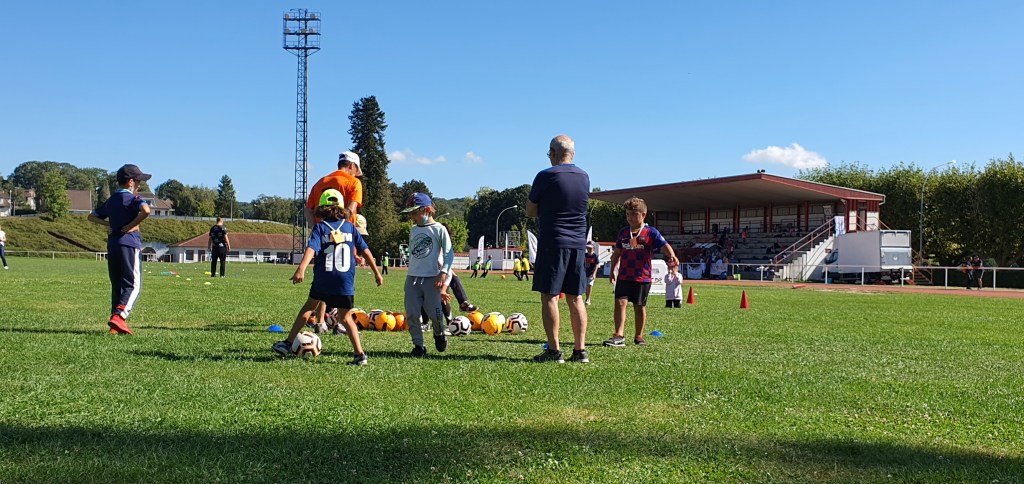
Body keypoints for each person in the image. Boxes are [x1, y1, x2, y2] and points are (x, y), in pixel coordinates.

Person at [272, 189, 383, 365]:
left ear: (321, 208)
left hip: (324, 279)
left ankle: (287, 343)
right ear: (342, 207)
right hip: (345, 282)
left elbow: (311, 249)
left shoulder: (320, 228)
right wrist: (376, 272)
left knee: (309, 307)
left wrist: (301, 269)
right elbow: (366, 251)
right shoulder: (350, 228)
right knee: (345, 318)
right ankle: (360, 355)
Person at [527, 134, 590, 364]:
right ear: (572, 154)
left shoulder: (545, 176)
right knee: (576, 298)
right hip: (578, 244)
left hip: (553, 242)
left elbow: (530, 211)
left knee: (550, 296)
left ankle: (554, 351)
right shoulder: (584, 177)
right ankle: (580, 351)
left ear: (553, 153)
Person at [605, 197, 679, 347]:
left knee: (639, 306)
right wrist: (612, 270)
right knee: (620, 302)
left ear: (643, 215)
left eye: (633, 214)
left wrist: (672, 256)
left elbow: (664, 245)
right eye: (627, 214)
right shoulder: (623, 232)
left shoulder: (651, 232)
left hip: (642, 277)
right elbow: (617, 253)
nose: (630, 218)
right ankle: (619, 335)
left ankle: (639, 336)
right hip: (624, 275)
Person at [88, 164, 152, 335]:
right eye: (138, 181)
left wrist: (108, 224)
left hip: (113, 244)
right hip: (129, 244)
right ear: (130, 182)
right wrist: (132, 225)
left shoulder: (112, 200)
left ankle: (114, 326)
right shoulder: (132, 198)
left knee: (117, 285)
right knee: (133, 284)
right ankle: (119, 316)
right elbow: (146, 210)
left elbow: (91, 216)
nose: (139, 185)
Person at [400, 192, 454, 357]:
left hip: (432, 280)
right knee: (412, 314)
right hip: (413, 279)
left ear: (427, 210)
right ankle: (418, 346)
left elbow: (449, 253)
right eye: (410, 213)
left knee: (435, 314)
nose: (412, 217)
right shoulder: (414, 230)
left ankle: (439, 333)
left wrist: (443, 273)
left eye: (415, 212)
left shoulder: (439, 229)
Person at [305, 151, 363, 225]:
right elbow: (351, 209)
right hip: (344, 230)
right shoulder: (354, 182)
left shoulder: (319, 183)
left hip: (322, 230)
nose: (355, 175)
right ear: (352, 165)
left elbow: (308, 211)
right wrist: (340, 227)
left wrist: (316, 228)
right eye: (356, 171)